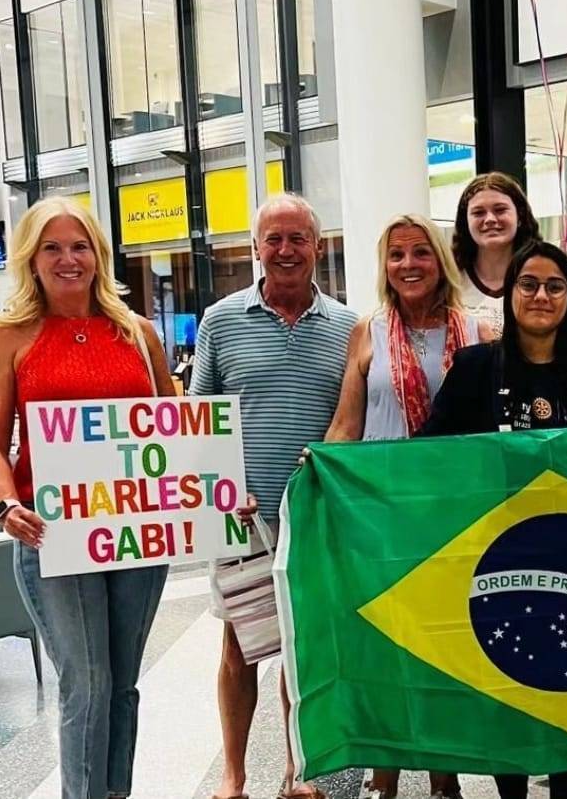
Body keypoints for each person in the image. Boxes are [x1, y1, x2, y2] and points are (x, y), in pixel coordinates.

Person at [421, 240, 567, 799]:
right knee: (505, 690)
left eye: (555, 286)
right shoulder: (473, 370)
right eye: (529, 284)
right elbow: (425, 459)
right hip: (497, 563)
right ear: (509, 293)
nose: (541, 296)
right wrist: (335, 467)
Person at [0, 198, 174, 799]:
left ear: (98, 256)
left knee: (122, 682)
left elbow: (179, 434)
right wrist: (5, 505)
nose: (68, 259)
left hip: (137, 532)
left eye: (80, 246)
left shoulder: (138, 333)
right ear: (31, 258)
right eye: (52, 247)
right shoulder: (11, 338)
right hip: (51, 533)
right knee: (87, 683)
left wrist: (218, 495)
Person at [189, 194, 358, 799]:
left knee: (302, 647)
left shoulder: (348, 325)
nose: (286, 251)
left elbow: (353, 421)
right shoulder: (220, 321)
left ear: (317, 245)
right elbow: (197, 419)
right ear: (256, 247)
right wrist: (219, 488)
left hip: (313, 518)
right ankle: (233, 774)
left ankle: (298, 769)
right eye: (274, 239)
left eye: (298, 239)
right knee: (239, 648)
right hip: (239, 516)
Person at [325, 214, 490, 799]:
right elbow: (348, 423)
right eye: (396, 255)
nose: (409, 265)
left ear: (439, 260)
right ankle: (383, 777)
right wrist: (316, 470)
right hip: (380, 517)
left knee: (444, 645)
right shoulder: (368, 331)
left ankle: (445, 776)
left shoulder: (479, 332)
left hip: (452, 517)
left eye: (421, 252)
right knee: (385, 645)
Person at [452, 172, 541, 337]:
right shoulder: (449, 282)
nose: (490, 219)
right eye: (478, 213)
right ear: (466, 222)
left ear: (520, 216)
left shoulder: (542, 275)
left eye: (500, 210)